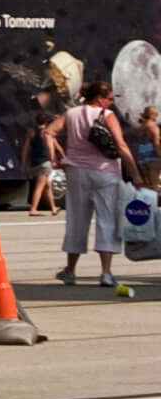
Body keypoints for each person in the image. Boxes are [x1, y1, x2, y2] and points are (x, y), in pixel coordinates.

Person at [57, 79, 145, 287]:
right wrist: (136, 174)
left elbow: (49, 131)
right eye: (109, 99)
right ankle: (106, 273)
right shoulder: (106, 115)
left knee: (76, 220)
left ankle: (70, 270)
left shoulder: (72, 113)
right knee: (107, 221)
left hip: (77, 172)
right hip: (105, 173)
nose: (111, 103)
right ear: (99, 98)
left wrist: (56, 155)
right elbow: (121, 145)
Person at [28, 96, 64, 215]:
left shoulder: (32, 132)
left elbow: (25, 148)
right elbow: (55, 145)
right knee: (40, 186)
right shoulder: (47, 132)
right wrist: (62, 156)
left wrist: (24, 162)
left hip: (35, 161)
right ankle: (33, 209)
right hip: (45, 161)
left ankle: (53, 207)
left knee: (47, 185)